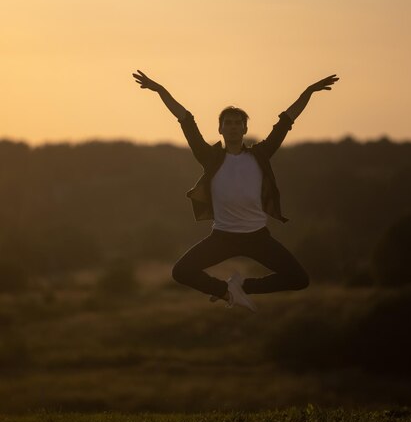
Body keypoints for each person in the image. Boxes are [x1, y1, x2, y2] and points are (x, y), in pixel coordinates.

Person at [132, 69, 338, 312]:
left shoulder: (261, 154)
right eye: (227, 123)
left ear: (244, 129)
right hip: (223, 237)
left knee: (299, 279)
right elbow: (185, 119)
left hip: (258, 237)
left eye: (237, 123)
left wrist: (309, 92)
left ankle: (242, 287)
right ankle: (226, 292)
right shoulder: (209, 157)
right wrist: (160, 90)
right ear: (220, 129)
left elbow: (286, 121)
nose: (232, 127)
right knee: (181, 271)